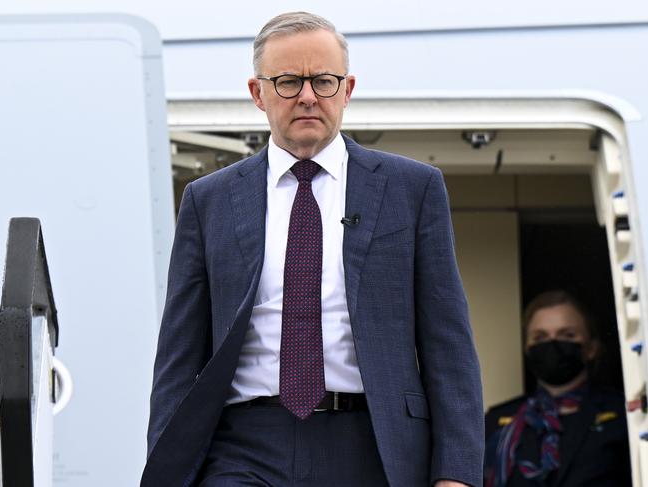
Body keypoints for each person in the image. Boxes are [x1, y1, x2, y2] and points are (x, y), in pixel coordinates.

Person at [142, 11, 483, 487]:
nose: (306, 96)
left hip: (373, 444)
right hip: (242, 446)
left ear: (347, 89)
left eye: (323, 81)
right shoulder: (209, 200)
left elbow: (448, 342)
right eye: (287, 82)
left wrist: (457, 472)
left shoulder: (413, 189)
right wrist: (164, 467)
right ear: (257, 93)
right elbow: (179, 352)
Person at [484, 290, 631, 487]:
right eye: (540, 337)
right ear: (528, 349)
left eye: (567, 335)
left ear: (591, 348)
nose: (552, 343)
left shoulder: (624, 415)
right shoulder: (498, 422)